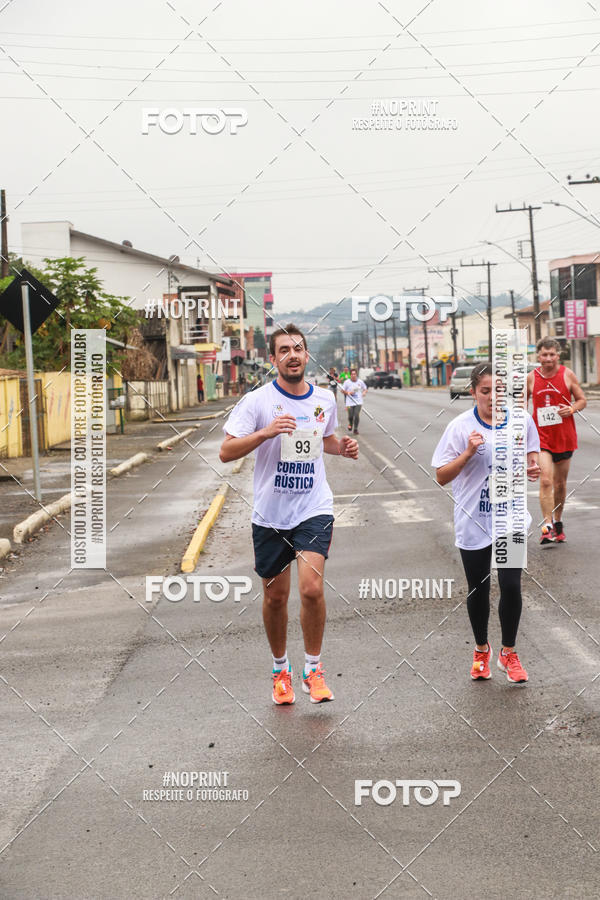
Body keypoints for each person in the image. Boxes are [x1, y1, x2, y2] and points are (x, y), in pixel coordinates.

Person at [220, 324, 359, 705]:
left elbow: (323, 439)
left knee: (311, 589)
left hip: (313, 507)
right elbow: (226, 452)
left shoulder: (325, 400)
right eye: (284, 349)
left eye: (298, 348)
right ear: (273, 358)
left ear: (306, 354)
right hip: (270, 513)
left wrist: (341, 447)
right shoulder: (257, 402)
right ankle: (280, 669)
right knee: (275, 598)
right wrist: (265, 433)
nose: (293, 355)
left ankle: (313, 669)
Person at [432, 362, 541, 684]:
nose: (493, 396)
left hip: (511, 516)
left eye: (499, 390)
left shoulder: (521, 420)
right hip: (474, 519)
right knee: (479, 588)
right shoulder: (460, 426)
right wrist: (467, 453)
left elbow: (531, 457)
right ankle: (481, 650)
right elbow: (441, 476)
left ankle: (509, 652)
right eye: (485, 391)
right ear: (473, 392)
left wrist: (533, 468)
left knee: (510, 585)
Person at [527, 338, 586, 545]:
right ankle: (547, 526)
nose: (548, 359)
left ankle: (558, 523)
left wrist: (571, 409)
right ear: (538, 356)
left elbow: (582, 400)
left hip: (564, 436)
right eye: (544, 355)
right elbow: (520, 403)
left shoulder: (567, 374)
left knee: (560, 485)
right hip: (540, 438)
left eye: (552, 354)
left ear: (558, 356)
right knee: (545, 481)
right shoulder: (531, 378)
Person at [341, 368, 367, 434]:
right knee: (350, 416)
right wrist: (348, 393)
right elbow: (342, 390)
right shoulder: (347, 382)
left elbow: (365, 388)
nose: (353, 375)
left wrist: (364, 392)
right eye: (352, 374)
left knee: (356, 415)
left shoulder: (360, 382)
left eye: (354, 374)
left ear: (356, 374)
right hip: (349, 402)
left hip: (358, 402)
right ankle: (350, 423)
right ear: (350, 375)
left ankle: (355, 429)